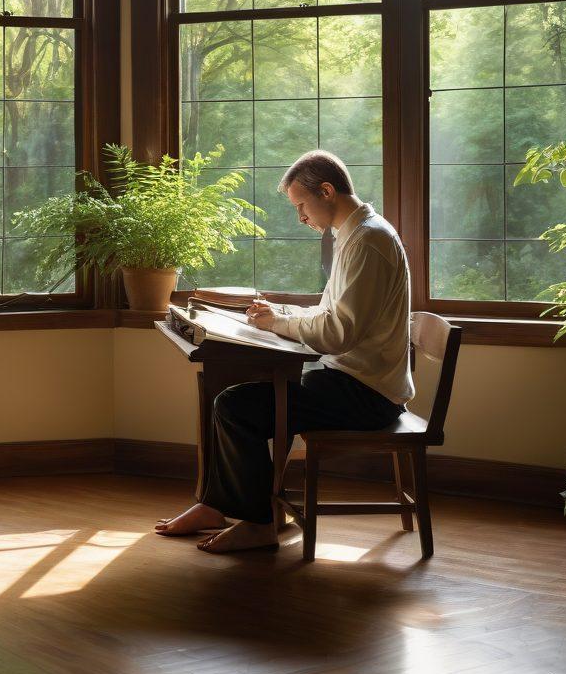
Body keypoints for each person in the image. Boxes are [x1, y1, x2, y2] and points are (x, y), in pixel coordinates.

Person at [154, 150, 413, 553]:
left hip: (368, 394)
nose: (301, 217)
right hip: (351, 379)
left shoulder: (369, 241)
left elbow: (337, 334)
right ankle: (219, 505)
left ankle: (258, 524)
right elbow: (332, 313)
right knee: (241, 395)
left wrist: (277, 323)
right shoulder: (355, 234)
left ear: (326, 191)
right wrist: (281, 313)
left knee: (236, 405)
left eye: (301, 206)